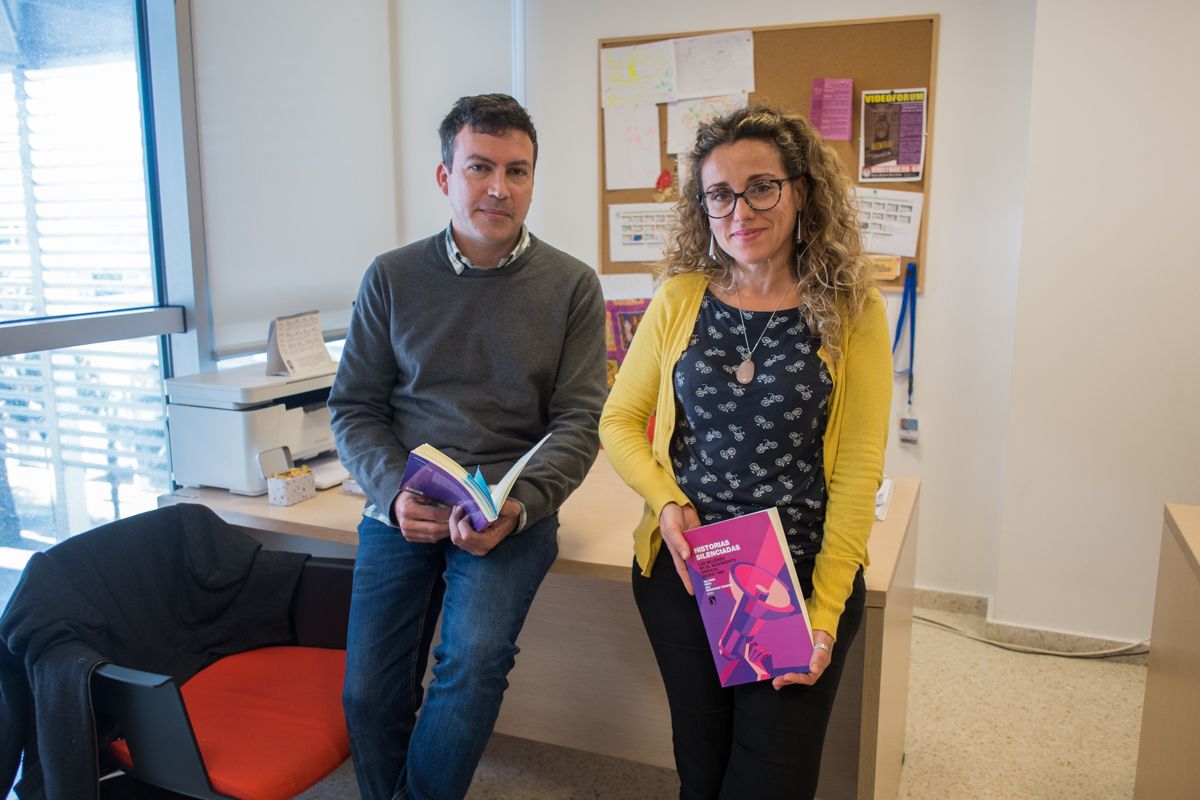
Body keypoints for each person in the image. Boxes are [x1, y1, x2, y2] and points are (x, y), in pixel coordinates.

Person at [599, 105, 891, 800]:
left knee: (771, 780)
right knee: (701, 769)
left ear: (801, 190)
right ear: (702, 206)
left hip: (791, 578)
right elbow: (620, 419)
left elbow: (856, 474)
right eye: (720, 194)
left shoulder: (851, 310)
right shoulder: (679, 299)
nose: (741, 210)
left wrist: (823, 615)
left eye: (762, 186)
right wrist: (666, 504)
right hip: (691, 570)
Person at [329, 93, 607, 800]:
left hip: (506, 510)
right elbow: (355, 408)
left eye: (517, 171)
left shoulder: (572, 286)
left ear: (533, 181)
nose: (498, 187)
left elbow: (579, 419)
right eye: (480, 167)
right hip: (405, 503)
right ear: (444, 178)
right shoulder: (391, 278)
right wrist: (393, 492)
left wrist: (522, 504)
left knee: (473, 660)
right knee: (367, 693)